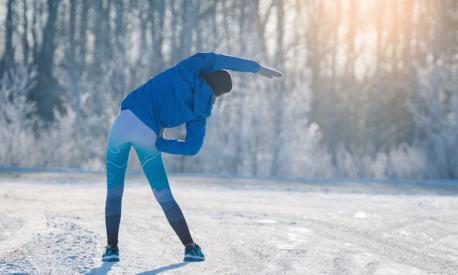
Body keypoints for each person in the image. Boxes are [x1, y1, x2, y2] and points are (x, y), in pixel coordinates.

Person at [102, 52, 283, 262]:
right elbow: (192, 147)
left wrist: (257, 68)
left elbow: (227, 61)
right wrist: (162, 143)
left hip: (124, 121)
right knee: (163, 195)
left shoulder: (190, 67)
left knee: (114, 191)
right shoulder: (201, 112)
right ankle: (190, 247)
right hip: (149, 135)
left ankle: (111, 249)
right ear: (218, 94)